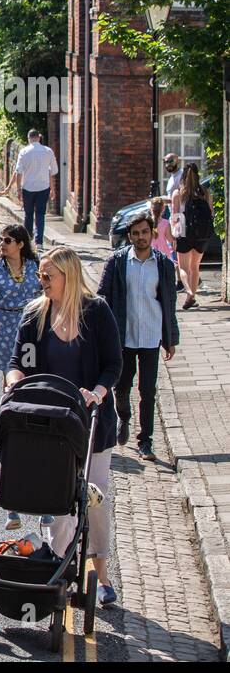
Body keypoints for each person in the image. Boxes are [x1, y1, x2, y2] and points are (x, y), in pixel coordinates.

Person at [4, 246, 122, 609]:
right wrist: (13, 382)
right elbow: (17, 361)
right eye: (40, 275)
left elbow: (113, 365)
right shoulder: (35, 315)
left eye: (47, 276)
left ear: (67, 278)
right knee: (60, 501)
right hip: (47, 423)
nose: (41, 282)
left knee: (94, 498)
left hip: (90, 424)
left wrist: (97, 393)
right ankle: (55, 571)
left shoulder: (97, 312)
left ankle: (101, 577)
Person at [97, 214, 179, 462]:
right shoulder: (117, 262)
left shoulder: (163, 265)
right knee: (121, 387)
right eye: (135, 233)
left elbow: (169, 303)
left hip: (151, 335)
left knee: (148, 391)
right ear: (129, 236)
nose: (140, 237)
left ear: (153, 233)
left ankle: (145, 441)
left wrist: (170, 338)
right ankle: (123, 416)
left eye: (144, 232)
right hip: (123, 337)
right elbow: (101, 298)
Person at [0, 224, 42, 531]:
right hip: (3, 327)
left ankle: (27, 406)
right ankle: (14, 412)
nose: (2, 244)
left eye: (7, 241)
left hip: (29, 325)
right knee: (10, 378)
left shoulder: (34, 267)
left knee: (28, 372)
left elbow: (46, 292)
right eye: (1, 240)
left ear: (20, 244)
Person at [171, 162, 213, 308]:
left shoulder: (178, 193)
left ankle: (187, 290)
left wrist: (174, 236)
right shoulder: (205, 192)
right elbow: (211, 214)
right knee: (195, 267)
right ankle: (191, 297)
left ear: (183, 176)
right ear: (198, 175)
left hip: (184, 233)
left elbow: (175, 217)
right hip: (201, 234)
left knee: (183, 268)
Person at [8, 129, 59, 247]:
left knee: (28, 214)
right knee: (40, 214)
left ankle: (27, 240)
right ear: (39, 138)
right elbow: (54, 171)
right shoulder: (48, 151)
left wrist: (19, 189)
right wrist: (52, 188)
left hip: (28, 188)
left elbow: (19, 171)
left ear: (28, 138)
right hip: (43, 187)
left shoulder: (24, 152)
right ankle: (39, 242)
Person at [150, 197, 176, 261]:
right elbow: (170, 239)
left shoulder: (146, 222)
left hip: (149, 252)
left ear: (151, 209)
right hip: (163, 253)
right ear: (163, 209)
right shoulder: (165, 223)